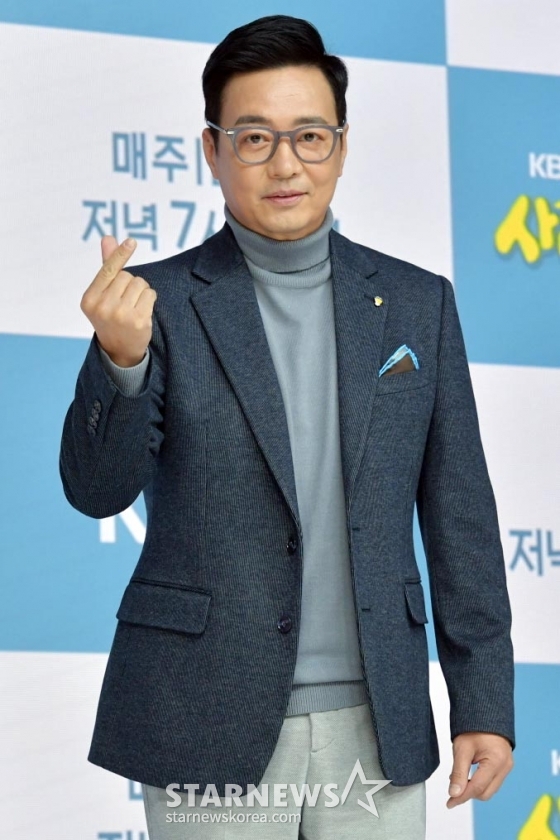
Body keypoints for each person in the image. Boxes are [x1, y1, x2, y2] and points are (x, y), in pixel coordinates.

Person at [59, 14, 514, 840]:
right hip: (204, 709)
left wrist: (483, 704)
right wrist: (121, 362)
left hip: (379, 721)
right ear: (212, 150)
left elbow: (462, 520)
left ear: (340, 146)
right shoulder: (154, 305)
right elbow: (96, 491)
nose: (285, 164)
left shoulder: (418, 304)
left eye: (308, 136)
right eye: (254, 138)